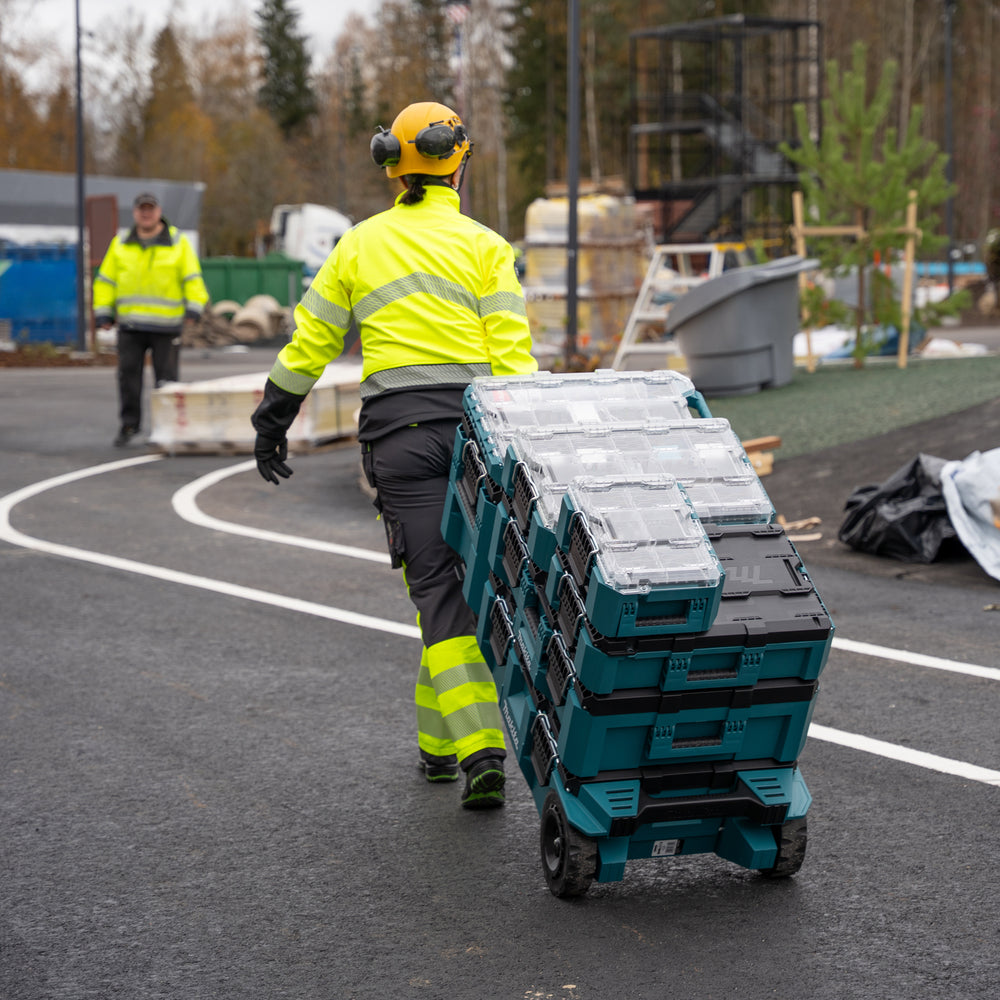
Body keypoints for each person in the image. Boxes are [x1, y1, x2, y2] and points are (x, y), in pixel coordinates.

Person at [251, 101, 537, 809]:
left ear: (392, 167)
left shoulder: (357, 245)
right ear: (458, 162)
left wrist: (273, 417)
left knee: (438, 594)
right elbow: (514, 361)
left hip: (400, 438)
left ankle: (474, 752)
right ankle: (440, 750)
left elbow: (310, 342)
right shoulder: (487, 246)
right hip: (480, 436)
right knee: (462, 597)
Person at [93, 192, 209, 447]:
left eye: (150, 209)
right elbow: (106, 281)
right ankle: (129, 425)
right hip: (130, 326)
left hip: (166, 327)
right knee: (127, 377)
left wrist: (194, 308)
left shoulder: (177, 242)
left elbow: (192, 278)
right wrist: (103, 312)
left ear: (159, 212)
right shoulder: (121, 242)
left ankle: (167, 429)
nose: (146, 214)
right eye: (141, 209)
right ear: (135, 213)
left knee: (166, 381)